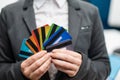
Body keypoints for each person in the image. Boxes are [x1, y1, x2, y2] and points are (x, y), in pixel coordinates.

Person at [0, 0, 111, 80]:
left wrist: (82, 68)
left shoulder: (90, 11)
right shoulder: (9, 13)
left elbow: (104, 66)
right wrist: (20, 72)